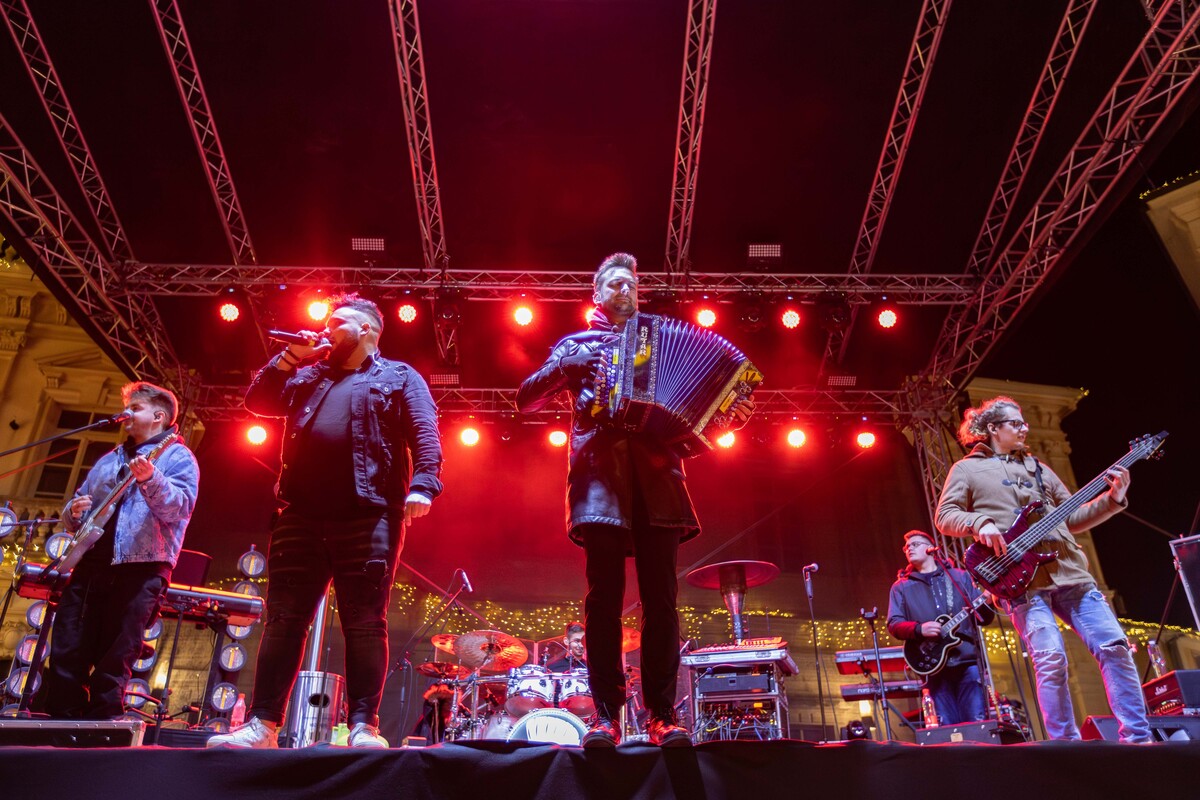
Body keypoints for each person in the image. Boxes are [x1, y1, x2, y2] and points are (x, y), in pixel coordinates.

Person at [517, 252, 753, 747]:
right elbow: (525, 398)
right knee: (603, 602)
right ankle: (606, 716)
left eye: (631, 284)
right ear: (597, 295)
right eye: (615, 284)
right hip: (600, 483)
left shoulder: (659, 342)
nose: (625, 290)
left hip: (659, 484)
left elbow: (701, 416)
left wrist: (729, 415)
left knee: (662, 603)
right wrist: (564, 366)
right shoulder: (576, 345)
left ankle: (661, 716)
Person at [208, 293, 443, 749]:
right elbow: (259, 401)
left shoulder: (398, 376)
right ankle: (263, 726)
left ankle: (363, 726)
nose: (325, 329)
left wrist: (425, 483)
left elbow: (424, 430)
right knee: (283, 618)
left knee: (365, 620)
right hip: (300, 513)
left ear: (367, 328)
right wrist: (289, 357)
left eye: (337, 323)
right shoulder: (308, 375)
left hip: (369, 512)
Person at [935, 395, 1150, 742]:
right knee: (1051, 658)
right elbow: (945, 516)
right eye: (1016, 423)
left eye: (1024, 422)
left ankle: (1138, 739)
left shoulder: (1039, 469)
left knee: (1115, 647)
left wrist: (1112, 499)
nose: (1025, 428)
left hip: (1070, 572)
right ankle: (1066, 746)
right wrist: (979, 522)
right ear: (993, 428)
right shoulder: (966, 470)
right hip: (1020, 581)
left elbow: (1073, 517)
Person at [44, 382, 199, 720]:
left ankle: (101, 726)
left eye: (135, 409)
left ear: (159, 416)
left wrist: (151, 479)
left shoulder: (179, 457)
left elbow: (179, 508)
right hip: (92, 564)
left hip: (141, 568)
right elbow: (79, 504)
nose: (126, 414)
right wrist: (73, 512)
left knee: (116, 653)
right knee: (68, 644)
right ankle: (61, 722)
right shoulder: (110, 458)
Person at [886, 530, 994, 725]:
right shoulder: (901, 587)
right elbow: (894, 624)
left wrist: (987, 601)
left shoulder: (959, 577)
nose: (909, 548)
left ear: (930, 548)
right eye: (906, 547)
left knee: (977, 724)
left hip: (967, 660)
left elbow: (984, 619)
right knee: (948, 728)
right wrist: (919, 629)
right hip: (932, 666)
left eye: (915, 544)